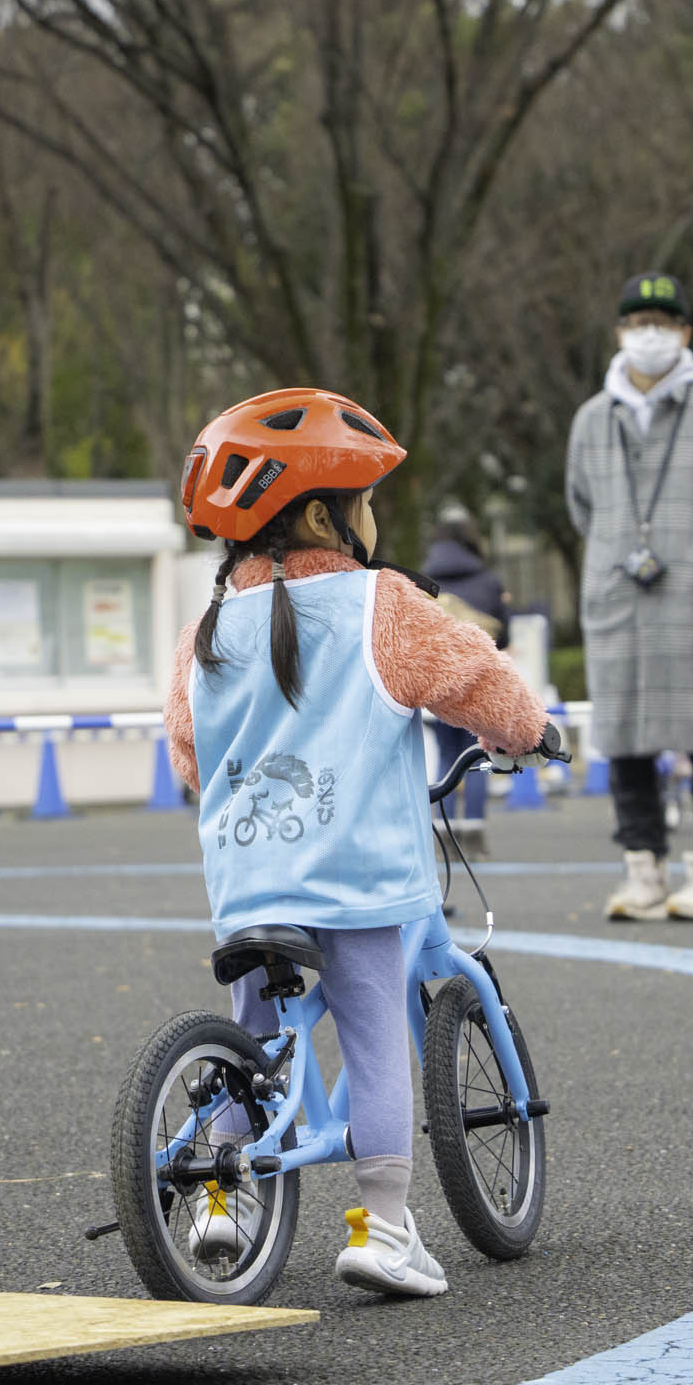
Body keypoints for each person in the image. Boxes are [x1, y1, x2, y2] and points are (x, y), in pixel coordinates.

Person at [164, 387, 560, 1297]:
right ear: (319, 513)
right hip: (362, 878)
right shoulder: (382, 605)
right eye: (365, 500)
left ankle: (220, 1203)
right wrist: (529, 731)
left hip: (250, 880)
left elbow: (189, 753)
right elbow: (474, 675)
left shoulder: (206, 630)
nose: (372, 518)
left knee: (252, 1037)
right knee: (379, 1040)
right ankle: (383, 1229)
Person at [567, 271, 693, 922]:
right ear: (620, 333)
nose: (648, 334)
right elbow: (580, 505)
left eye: (662, 322)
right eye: (636, 322)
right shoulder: (593, 419)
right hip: (619, 600)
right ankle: (643, 869)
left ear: (685, 332)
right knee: (624, 738)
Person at [420, 503, 512, 851]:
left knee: (445, 755)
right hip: (480, 683)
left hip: (438, 684)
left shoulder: (423, 581)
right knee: (478, 756)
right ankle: (474, 834)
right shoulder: (488, 581)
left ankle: (444, 836)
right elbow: (504, 637)